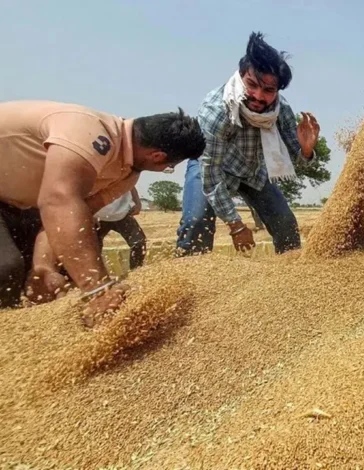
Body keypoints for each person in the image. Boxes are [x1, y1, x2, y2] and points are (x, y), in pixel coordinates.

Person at [0, 101, 205, 325]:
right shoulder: (89, 131)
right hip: (12, 200)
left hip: (23, 205)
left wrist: (44, 267)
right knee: (7, 268)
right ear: (157, 156)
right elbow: (59, 201)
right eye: (169, 167)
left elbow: (74, 217)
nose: (166, 170)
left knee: (61, 276)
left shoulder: (127, 175)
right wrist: (98, 289)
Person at [176, 32, 320, 256]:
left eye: (268, 90)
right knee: (195, 223)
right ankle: (187, 280)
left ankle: (292, 279)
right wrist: (236, 225)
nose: (258, 96)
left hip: (252, 172)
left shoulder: (281, 110)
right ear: (241, 75)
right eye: (251, 85)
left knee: (286, 224)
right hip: (213, 167)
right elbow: (211, 176)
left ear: (278, 91)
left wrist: (307, 149)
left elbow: (299, 159)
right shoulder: (217, 110)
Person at [93, 188, 147, 270]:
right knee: (92, 248)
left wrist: (137, 202)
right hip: (98, 216)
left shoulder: (126, 175)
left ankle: (136, 272)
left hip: (123, 213)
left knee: (139, 242)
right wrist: (88, 213)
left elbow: (131, 185)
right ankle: (94, 276)